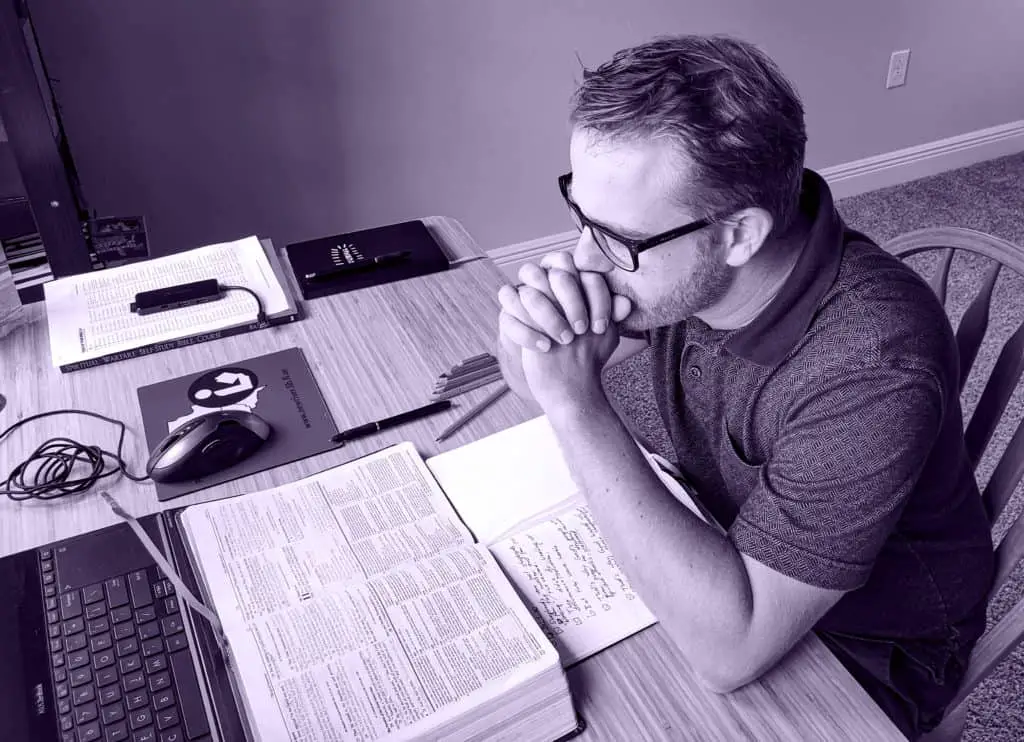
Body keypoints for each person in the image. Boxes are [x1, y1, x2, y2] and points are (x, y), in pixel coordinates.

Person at [495, 34, 994, 740]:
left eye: (617, 239)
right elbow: (529, 381)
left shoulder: (873, 363)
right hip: (728, 538)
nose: (584, 260)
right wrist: (534, 331)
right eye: (579, 215)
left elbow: (729, 653)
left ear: (738, 236)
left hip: (865, 649)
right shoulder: (681, 267)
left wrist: (579, 406)